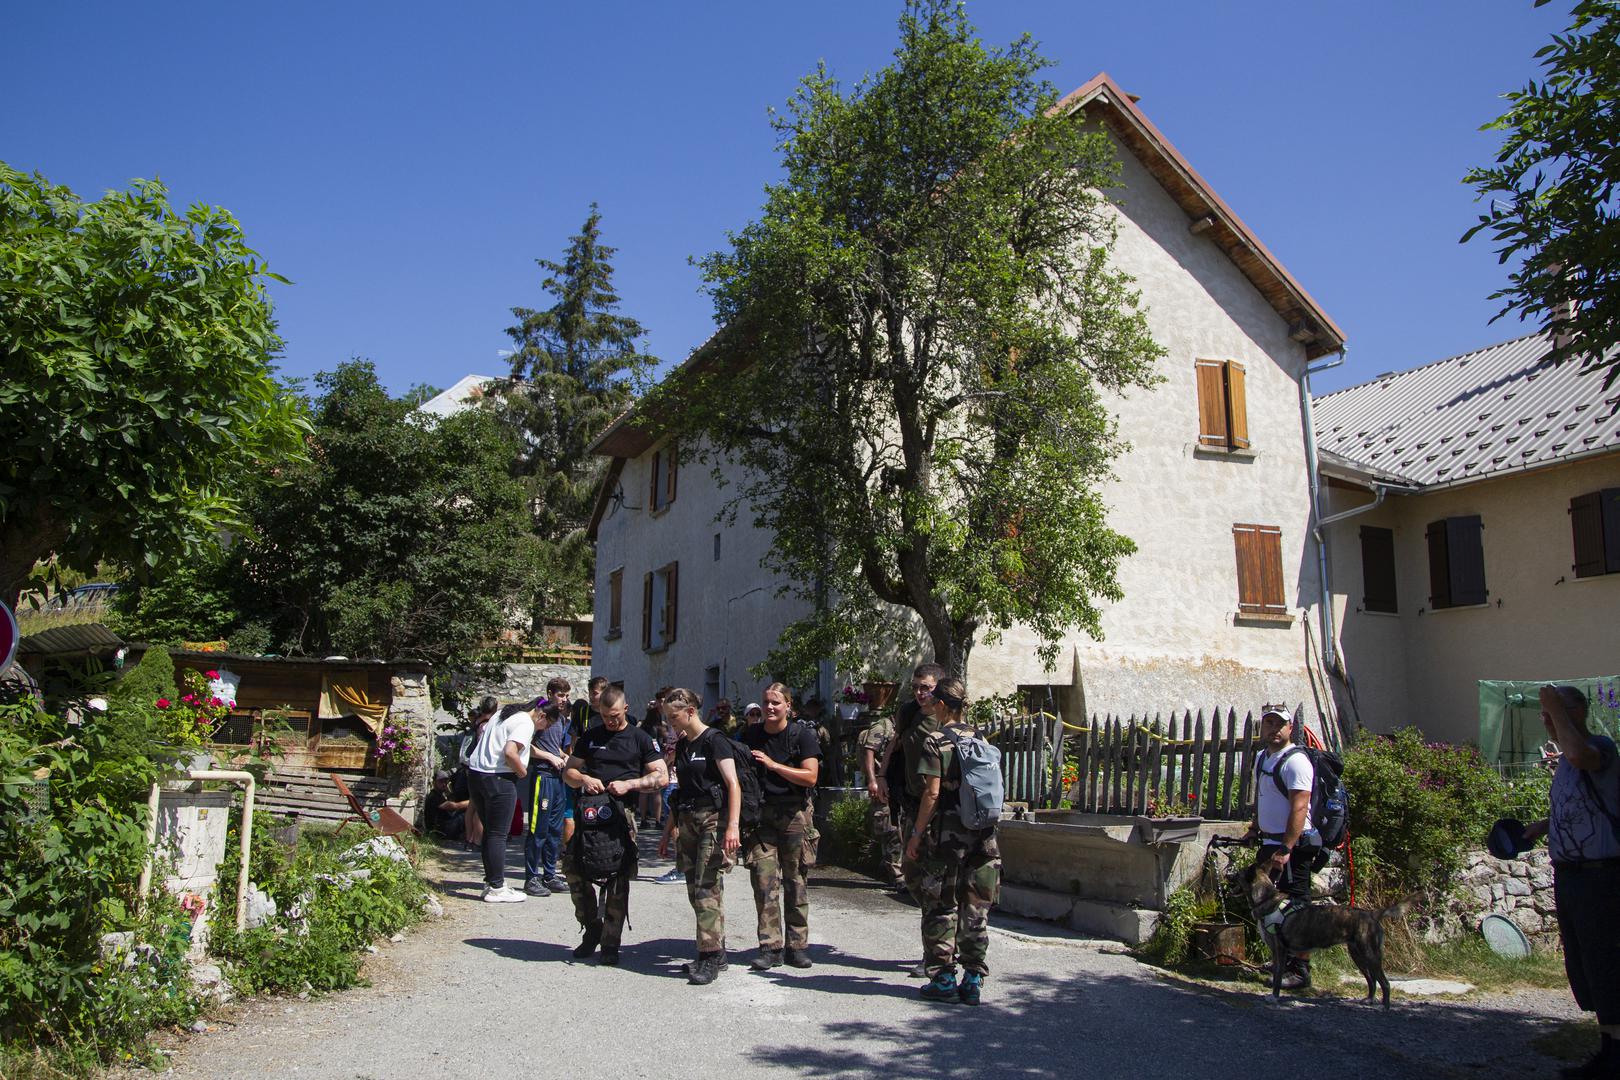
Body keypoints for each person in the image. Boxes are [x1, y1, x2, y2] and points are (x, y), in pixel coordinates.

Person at [1522, 685, 1620, 1079]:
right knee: (1588, 967)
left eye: (1554, 713)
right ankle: (1607, 1049)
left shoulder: (1599, 748)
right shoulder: (1564, 761)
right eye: (1545, 714)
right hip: (1572, 877)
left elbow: (1582, 755)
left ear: (1577, 710)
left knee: (1609, 964)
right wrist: (1546, 826)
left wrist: (1555, 707)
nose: (1546, 719)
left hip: (1602, 878)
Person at [906, 676, 1002, 1005]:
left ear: (943, 705)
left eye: (934, 700)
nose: (929, 704)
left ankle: (944, 978)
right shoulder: (981, 738)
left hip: (947, 837)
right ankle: (973, 978)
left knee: (940, 905)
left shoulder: (936, 740)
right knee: (976, 907)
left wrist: (916, 834)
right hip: (983, 836)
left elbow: (932, 794)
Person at [561, 685, 667, 964]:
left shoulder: (640, 738)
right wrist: (583, 779)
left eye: (616, 716)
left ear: (626, 710)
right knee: (574, 870)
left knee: (617, 878)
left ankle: (610, 942)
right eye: (606, 716)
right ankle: (592, 928)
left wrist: (630, 783)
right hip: (590, 812)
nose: (611, 721)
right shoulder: (591, 736)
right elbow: (568, 772)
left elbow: (662, 776)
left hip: (622, 812)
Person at [657, 687, 743, 984]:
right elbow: (681, 792)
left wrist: (733, 826)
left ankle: (707, 958)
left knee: (707, 886)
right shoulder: (683, 745)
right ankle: (716, 952)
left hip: (713, 820)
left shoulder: (715, 741)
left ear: (690, 711)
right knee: (694, 889)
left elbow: (733, 784)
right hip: (688, 819)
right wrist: (668, 832)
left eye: (674, 716)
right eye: (668, 718)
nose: (671, 723)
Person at [739, 682, 821, 971]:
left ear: (789, 706)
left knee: (796, 882)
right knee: (763, 882)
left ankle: (797, 945)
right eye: (766, 703)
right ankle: (770, 946)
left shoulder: (803, 736)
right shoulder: (750, 735)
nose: (770, 708)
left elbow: (810, 777)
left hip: (794, 815)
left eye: (776, 703)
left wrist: (774, 766)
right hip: (761, 817)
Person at [1240, 703, 1318, 990]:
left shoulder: (1296, 761)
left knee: (1296, 907)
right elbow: (1264, 798)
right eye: (1269, 724)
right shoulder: (1263, 757)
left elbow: (1300, 807)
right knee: (1272, 908)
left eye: (1279, 724)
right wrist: (1254, 828)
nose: (1274, 729)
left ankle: (1301, 969)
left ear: (1290, 728)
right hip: (1270, 841)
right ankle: (1282, 961)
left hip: (1293, 848)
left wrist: (1286, 848)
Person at [465, 699, 535, 902]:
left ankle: (492, 881)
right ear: (541, 715)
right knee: (498, 835)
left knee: (490, 831)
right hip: (499, 778)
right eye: (546, 725)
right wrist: (522, 773)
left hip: (477, 774)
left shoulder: (503, 714)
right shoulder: (525, 722)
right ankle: (497, 887)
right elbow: (510, 752)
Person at [524, 692, 572, 897]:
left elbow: (556, 748)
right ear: (550, 695)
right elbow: (528, 746)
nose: (564, 699)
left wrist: (564, 756)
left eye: (567, 695)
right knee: (538, 829)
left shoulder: (561, 719)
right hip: (542, 776)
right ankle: (531, 877)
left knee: (555, 829)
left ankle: (549, 875)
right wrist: (550, 757)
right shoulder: (537, 718)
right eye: (561, 695)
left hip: (557, 779)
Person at [859, 711, 904, 887]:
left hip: (897, 785)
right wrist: (873, 780)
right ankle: (896, 876)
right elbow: (869, 752)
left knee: (898, 829)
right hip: (882, 784)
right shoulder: (882, 727)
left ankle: (892, 868)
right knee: (890, 830)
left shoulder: (902, 729)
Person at [424, 770, 467, 841]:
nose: (444, 784)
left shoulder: (440, 794)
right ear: (434, 782)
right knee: (464, 815)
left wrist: (448, 792)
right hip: (439, 831)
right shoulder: (434, 796)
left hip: (444, 827)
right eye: (441, 781)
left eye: (445, 781)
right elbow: (453, 806)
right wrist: (472, 802)